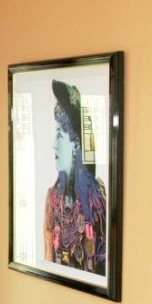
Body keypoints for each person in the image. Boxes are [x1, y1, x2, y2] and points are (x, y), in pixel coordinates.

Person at [43, 80, 106, 276]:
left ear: (76, 145)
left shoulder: (96, 201)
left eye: (60, 135)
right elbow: (48, 260)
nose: (53, 144)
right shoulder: (52, 199)